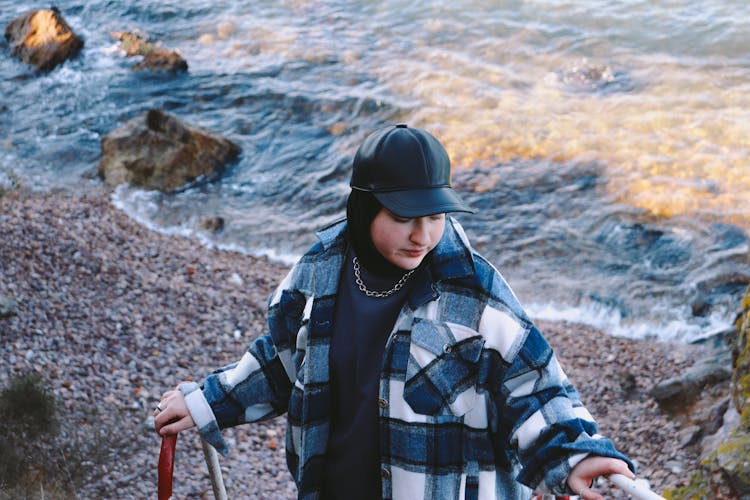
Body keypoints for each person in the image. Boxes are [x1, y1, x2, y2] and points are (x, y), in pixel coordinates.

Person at [154, 123, 635, 500]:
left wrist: (573, 454)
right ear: (365, 210)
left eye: (435, 216)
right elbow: (280, 362)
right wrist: (206, 402)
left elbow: (533, 387)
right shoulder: (318, 272)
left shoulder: (474, 290)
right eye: (404, 218)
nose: (422, 236)